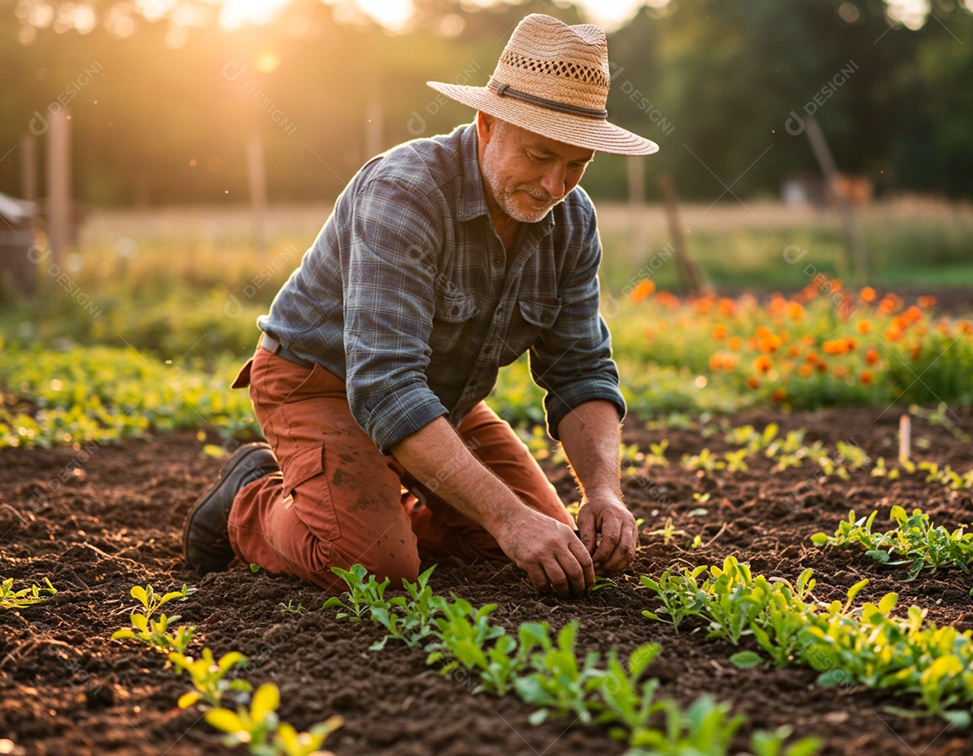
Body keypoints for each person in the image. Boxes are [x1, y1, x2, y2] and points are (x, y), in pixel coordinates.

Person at [182, 13, 658, 598]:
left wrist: (604, 494)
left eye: (575, 165)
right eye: (539, 156)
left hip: (439, 397)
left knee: (551, 544)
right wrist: (508, 517)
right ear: (487, 124)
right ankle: (250, 501)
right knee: (376, 566)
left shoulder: (572, 220)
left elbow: (581, 369)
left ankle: (372, 500)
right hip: (320, 381)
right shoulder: (406, 193)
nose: (555, 185)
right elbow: (383, 384)